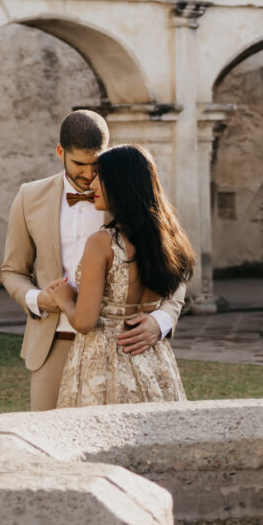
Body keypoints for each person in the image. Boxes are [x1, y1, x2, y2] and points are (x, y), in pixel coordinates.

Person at [1, 111, 188, 411]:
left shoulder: (127, 194)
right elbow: (12, 271)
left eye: (96, 165)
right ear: (61, 152)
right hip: (53, 340)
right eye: (79, 164)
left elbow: (171, 261)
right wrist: (39, 299)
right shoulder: (29, 197)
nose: (89, 175)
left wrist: (162, 319)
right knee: (50, 438)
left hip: (123, 344)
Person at [49, 144, 194, 408]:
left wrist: (65, 300)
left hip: (103, 363)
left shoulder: (101, 243)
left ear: (119, 183)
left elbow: (84, 322)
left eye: (98, 177)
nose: (91, 185)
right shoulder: (168, 240)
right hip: (154, 362)